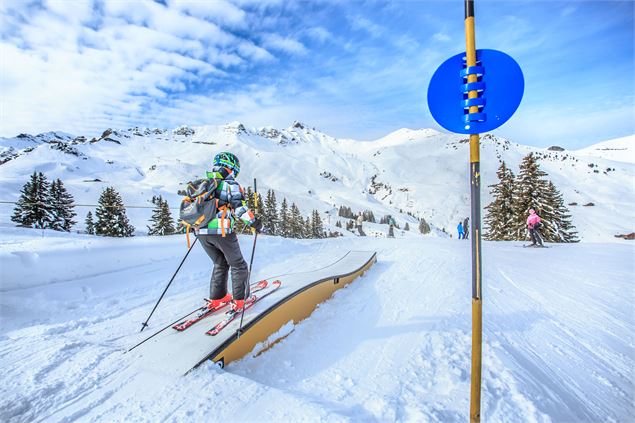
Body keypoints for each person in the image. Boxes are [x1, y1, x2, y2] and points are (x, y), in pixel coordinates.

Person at [198, 152, 264, 313]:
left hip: (201, 232)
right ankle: (241, 300)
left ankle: (218, 297)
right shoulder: (230, 184)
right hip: (222, 231)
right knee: (239, 265)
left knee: (220, 263)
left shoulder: (204, 183)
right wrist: (255, 223)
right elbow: (239, 208)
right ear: (231, 168)